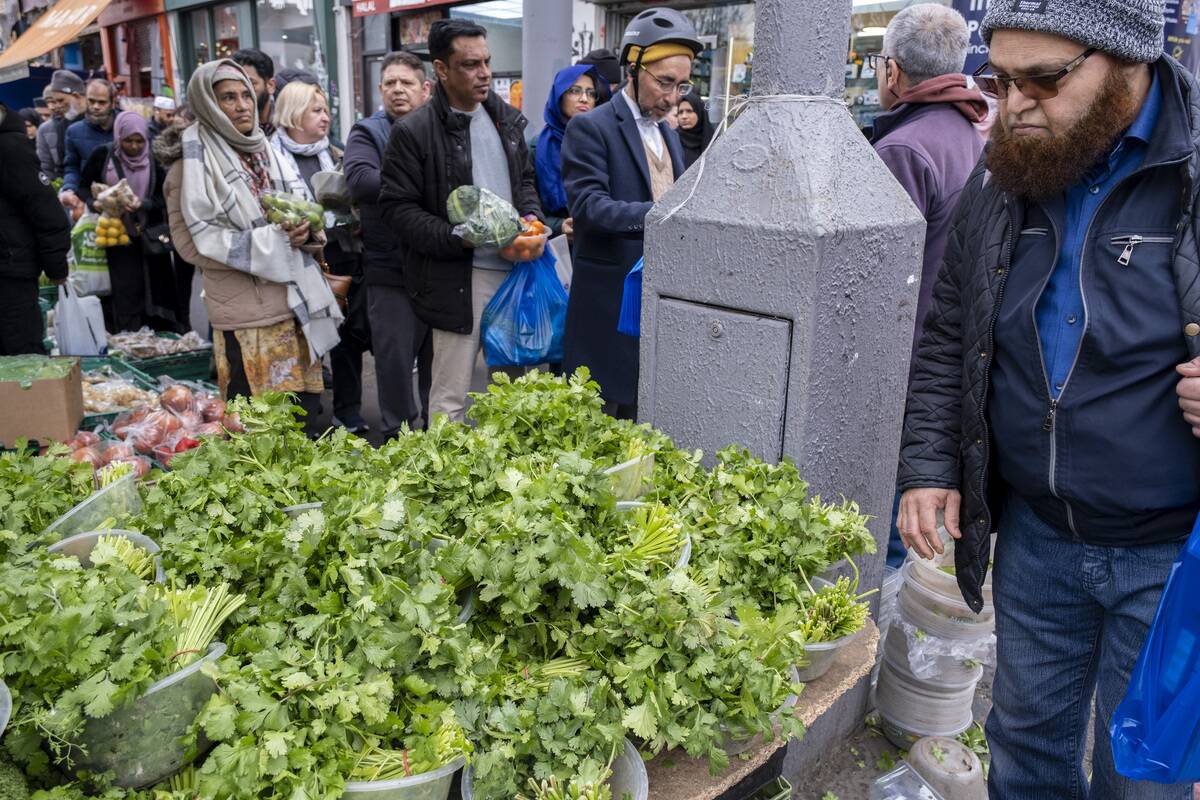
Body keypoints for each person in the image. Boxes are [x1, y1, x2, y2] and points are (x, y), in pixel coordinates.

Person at [897, 1, 1200, 798]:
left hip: (1171, 556)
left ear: (1128, 64)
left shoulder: (1192, 168)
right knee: (1025, 750)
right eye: (999, 79)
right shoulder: (1007, 175)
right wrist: (931, 463)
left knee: (1144, 778)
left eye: (1042, 80)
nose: (1015, 106)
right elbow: (949, 333)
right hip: (1038, 540)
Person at [867, 3, 987, 569]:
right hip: (950, 365)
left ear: (891, 72)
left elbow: (875, 282)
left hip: (907, 371)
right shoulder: (968, 131)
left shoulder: (902, 150)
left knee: (887, 530)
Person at [163, 59, 342, 436]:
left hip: (293, 307)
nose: (243, 105)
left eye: (246, 94)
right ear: (207, 104)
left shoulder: (266, 151)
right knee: (256, 428)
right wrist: (271, 243)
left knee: (304, 416)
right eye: (228, 97)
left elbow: (302, 207)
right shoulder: (189, 167)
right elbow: (191, 244)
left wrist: (304, 232)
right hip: (246, 319)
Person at [379, 19, 542, 424]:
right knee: (451, 398)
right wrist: (459, 238)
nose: (484, 73)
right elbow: (398, 209)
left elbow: (524, 180)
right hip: (459, 281)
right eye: (470, 64)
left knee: (519, 395)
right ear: (440, 69)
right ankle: (443, 482)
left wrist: (532, 219)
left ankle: (521, 479)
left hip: (518, 273)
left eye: (486, 61)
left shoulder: (506, 119)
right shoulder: (414, 132)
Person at [560, 8, 701, 418]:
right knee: (601, 429)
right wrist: (663, 214)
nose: (674, 97)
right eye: (665, 82)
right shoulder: (591, 127)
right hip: (608, 307)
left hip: (659, 302)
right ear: (633, 68)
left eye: (683, 85)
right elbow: (588, 208)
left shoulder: (667, 132)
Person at [269, 79, 369, 434]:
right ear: (294, 113)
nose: (325, 117)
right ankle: (303, 417)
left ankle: (348, 410)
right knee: (298, 342)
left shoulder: (338, 153)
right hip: (295, 263)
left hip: (340, 257)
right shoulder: (269, 158)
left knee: (346, 339)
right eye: (316, 110)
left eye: (326, 110)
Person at [346, 50, 433, 437]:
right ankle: (399, 434)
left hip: (441, 266)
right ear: (381, 90)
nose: (398, 90)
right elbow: (361, 180)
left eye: (407, 82)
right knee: (394, 360)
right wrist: (425, 185)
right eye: (390, 83)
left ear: (426, 88)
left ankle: (440, 432)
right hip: (390, 268)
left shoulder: (443, 128)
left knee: (441, 362)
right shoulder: (368, 131)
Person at [77, 110, 178, 334]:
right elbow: (83, 186)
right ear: (118, 138)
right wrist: (96, 202)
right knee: (125, 290)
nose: (134, 146)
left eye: (139, 141)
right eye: (128, 141)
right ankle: (128, 336)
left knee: (156, 290)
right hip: (115, 238)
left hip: (151, 239)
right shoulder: (102, 156)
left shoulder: (154, 160)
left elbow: (165, 197)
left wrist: (144, 204)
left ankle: (158, 337)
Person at [0, 102, 70, 355]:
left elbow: (44, 210)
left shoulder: (11, 148)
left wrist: (56, 265)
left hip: (10, 272)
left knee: (22, 356)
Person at [532, 64, 603, 239]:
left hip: (600, 246)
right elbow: (526, 209)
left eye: (591, 93)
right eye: (575, 91)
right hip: (555, 250)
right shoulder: (537, 148)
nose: (584, 99)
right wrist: (558, 226)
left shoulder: (604, 144)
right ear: (559, 96)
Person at [59, 79, 117, 215]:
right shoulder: (74, 131)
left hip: (122, 201)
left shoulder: (125, 126)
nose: (96, 106)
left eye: (102, 102)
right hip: (91, 203)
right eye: (91, 101)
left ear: (113, 103)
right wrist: (69, 189)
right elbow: (71, 166)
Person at [36, 69, 85, 182]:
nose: (55, 106)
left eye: (59, 101)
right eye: (50, 102)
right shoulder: (47, 129)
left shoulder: (91, 120)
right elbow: (46, 166)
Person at [231, 48, 277, 136]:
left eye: (250, 83)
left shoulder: (289, 120)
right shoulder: (229, 120)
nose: (242, 90)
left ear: (270, 85)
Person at [675, 91, 713, 168]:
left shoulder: (713, 140)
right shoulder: (672, 139)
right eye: (680, 112)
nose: (684, 116)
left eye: (689, 111)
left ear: (699, 112)